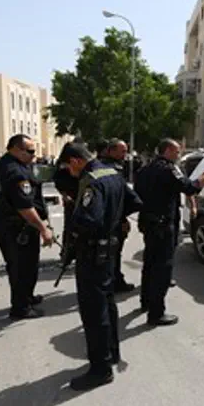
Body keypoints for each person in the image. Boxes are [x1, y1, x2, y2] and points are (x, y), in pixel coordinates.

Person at [64, 143, 143, 391]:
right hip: (109, 251)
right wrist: (117, 220)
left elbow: (89, 219)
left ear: (76, 160)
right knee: (107, 305)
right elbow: (135, 202)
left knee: (93, 311)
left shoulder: (91, 181)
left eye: (68, 166)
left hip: (92, 254)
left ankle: (100, 369)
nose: (68, 171)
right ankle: (111, 354)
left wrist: (74, 233)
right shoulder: (112, 173)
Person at [134, 139, 204, 326]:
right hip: (162, 226)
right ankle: (156, 313)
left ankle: (146, 302)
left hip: (148, 224)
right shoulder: (168, 169)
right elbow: (191, 187)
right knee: (162, 270)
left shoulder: (145, 169)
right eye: (177, 152)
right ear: (167, 151)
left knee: (149, 265)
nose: (179, 155)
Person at [0, 134, 54, 320]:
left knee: (26, 265)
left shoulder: (3, 164)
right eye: (30, 151)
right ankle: (20, 308)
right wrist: (43, 229)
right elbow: (24, 207)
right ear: (16, 149)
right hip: (17, 227)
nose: (34, 155)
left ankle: (26, 297)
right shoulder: (15, 172)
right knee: (22, 267)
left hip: (10, 223)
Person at [101, 138, 136, 293]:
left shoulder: (104, 166)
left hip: (110, 219)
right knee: (112, 255)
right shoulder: (111, 169)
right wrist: (122, 218)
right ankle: (113, 283)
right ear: (111, 151)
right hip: (111, 221)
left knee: (112, 255)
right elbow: (118, 199)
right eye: (122, 151)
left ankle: (114, 280)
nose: (125, 154)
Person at [52, 142, 81, 266]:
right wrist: (64, 195)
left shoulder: (79, 162)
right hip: (70, 199)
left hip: (80, 197)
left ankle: (76, 253)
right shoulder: (62, 165)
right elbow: (58, 181)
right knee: (69, 228)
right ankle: (66, 254)